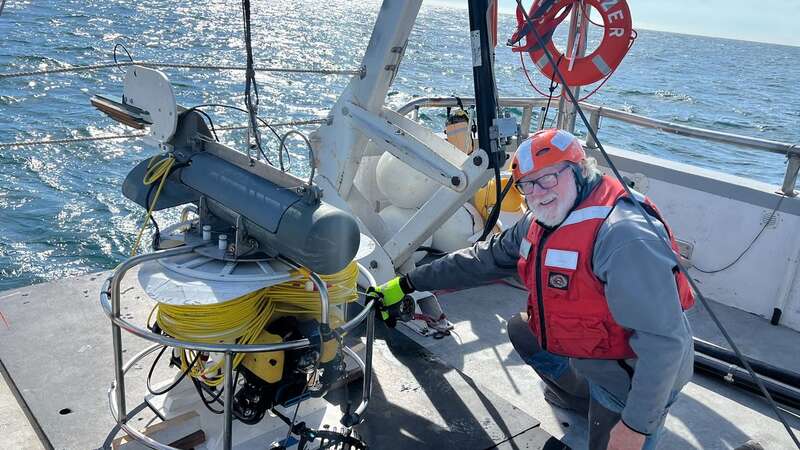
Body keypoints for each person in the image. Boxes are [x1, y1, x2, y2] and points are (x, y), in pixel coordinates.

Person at [375, 128, 695, 450]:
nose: (538, 193)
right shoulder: (539, 221)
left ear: (580, 170)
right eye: (527, 185)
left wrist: (635, 427)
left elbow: (664, 344)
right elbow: (480, 260)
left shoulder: (623, 237)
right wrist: (408, 282)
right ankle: (579, 397)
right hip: (590, 356)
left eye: (548, 179)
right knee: (522, 329)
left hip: (629, 379)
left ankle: (615, 414)